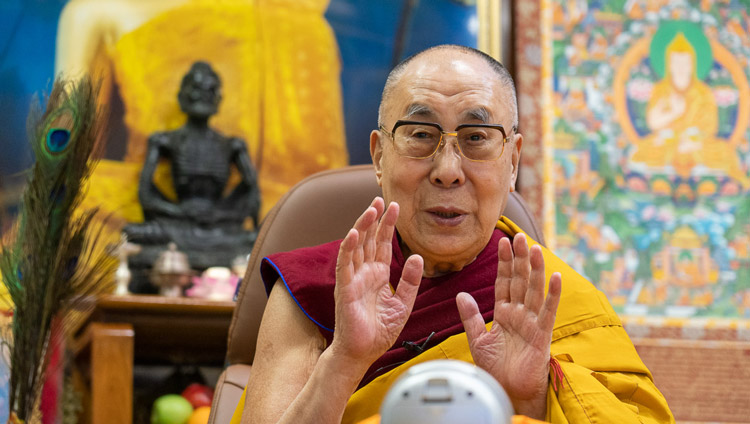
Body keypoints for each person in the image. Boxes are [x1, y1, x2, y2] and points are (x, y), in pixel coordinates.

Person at [233, 45, 674, 423]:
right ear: (379, 155)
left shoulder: (551, 301)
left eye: (477, 137)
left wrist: (533, 396)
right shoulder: (316, 287)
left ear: (514, 160)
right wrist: (345, 360)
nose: (447, 171)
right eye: (420, 134)